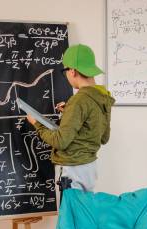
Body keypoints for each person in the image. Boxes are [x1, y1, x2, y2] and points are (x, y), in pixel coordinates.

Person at [26, 44, 115, 192]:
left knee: (70, 214)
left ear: (72, 71)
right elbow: (104, 137)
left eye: (65, 71)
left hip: (72, 169)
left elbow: (61, 141)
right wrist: (70, 111)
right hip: (89, 168)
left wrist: (37, 124)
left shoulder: (79, 100)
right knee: (83, 213)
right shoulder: (103, 97)